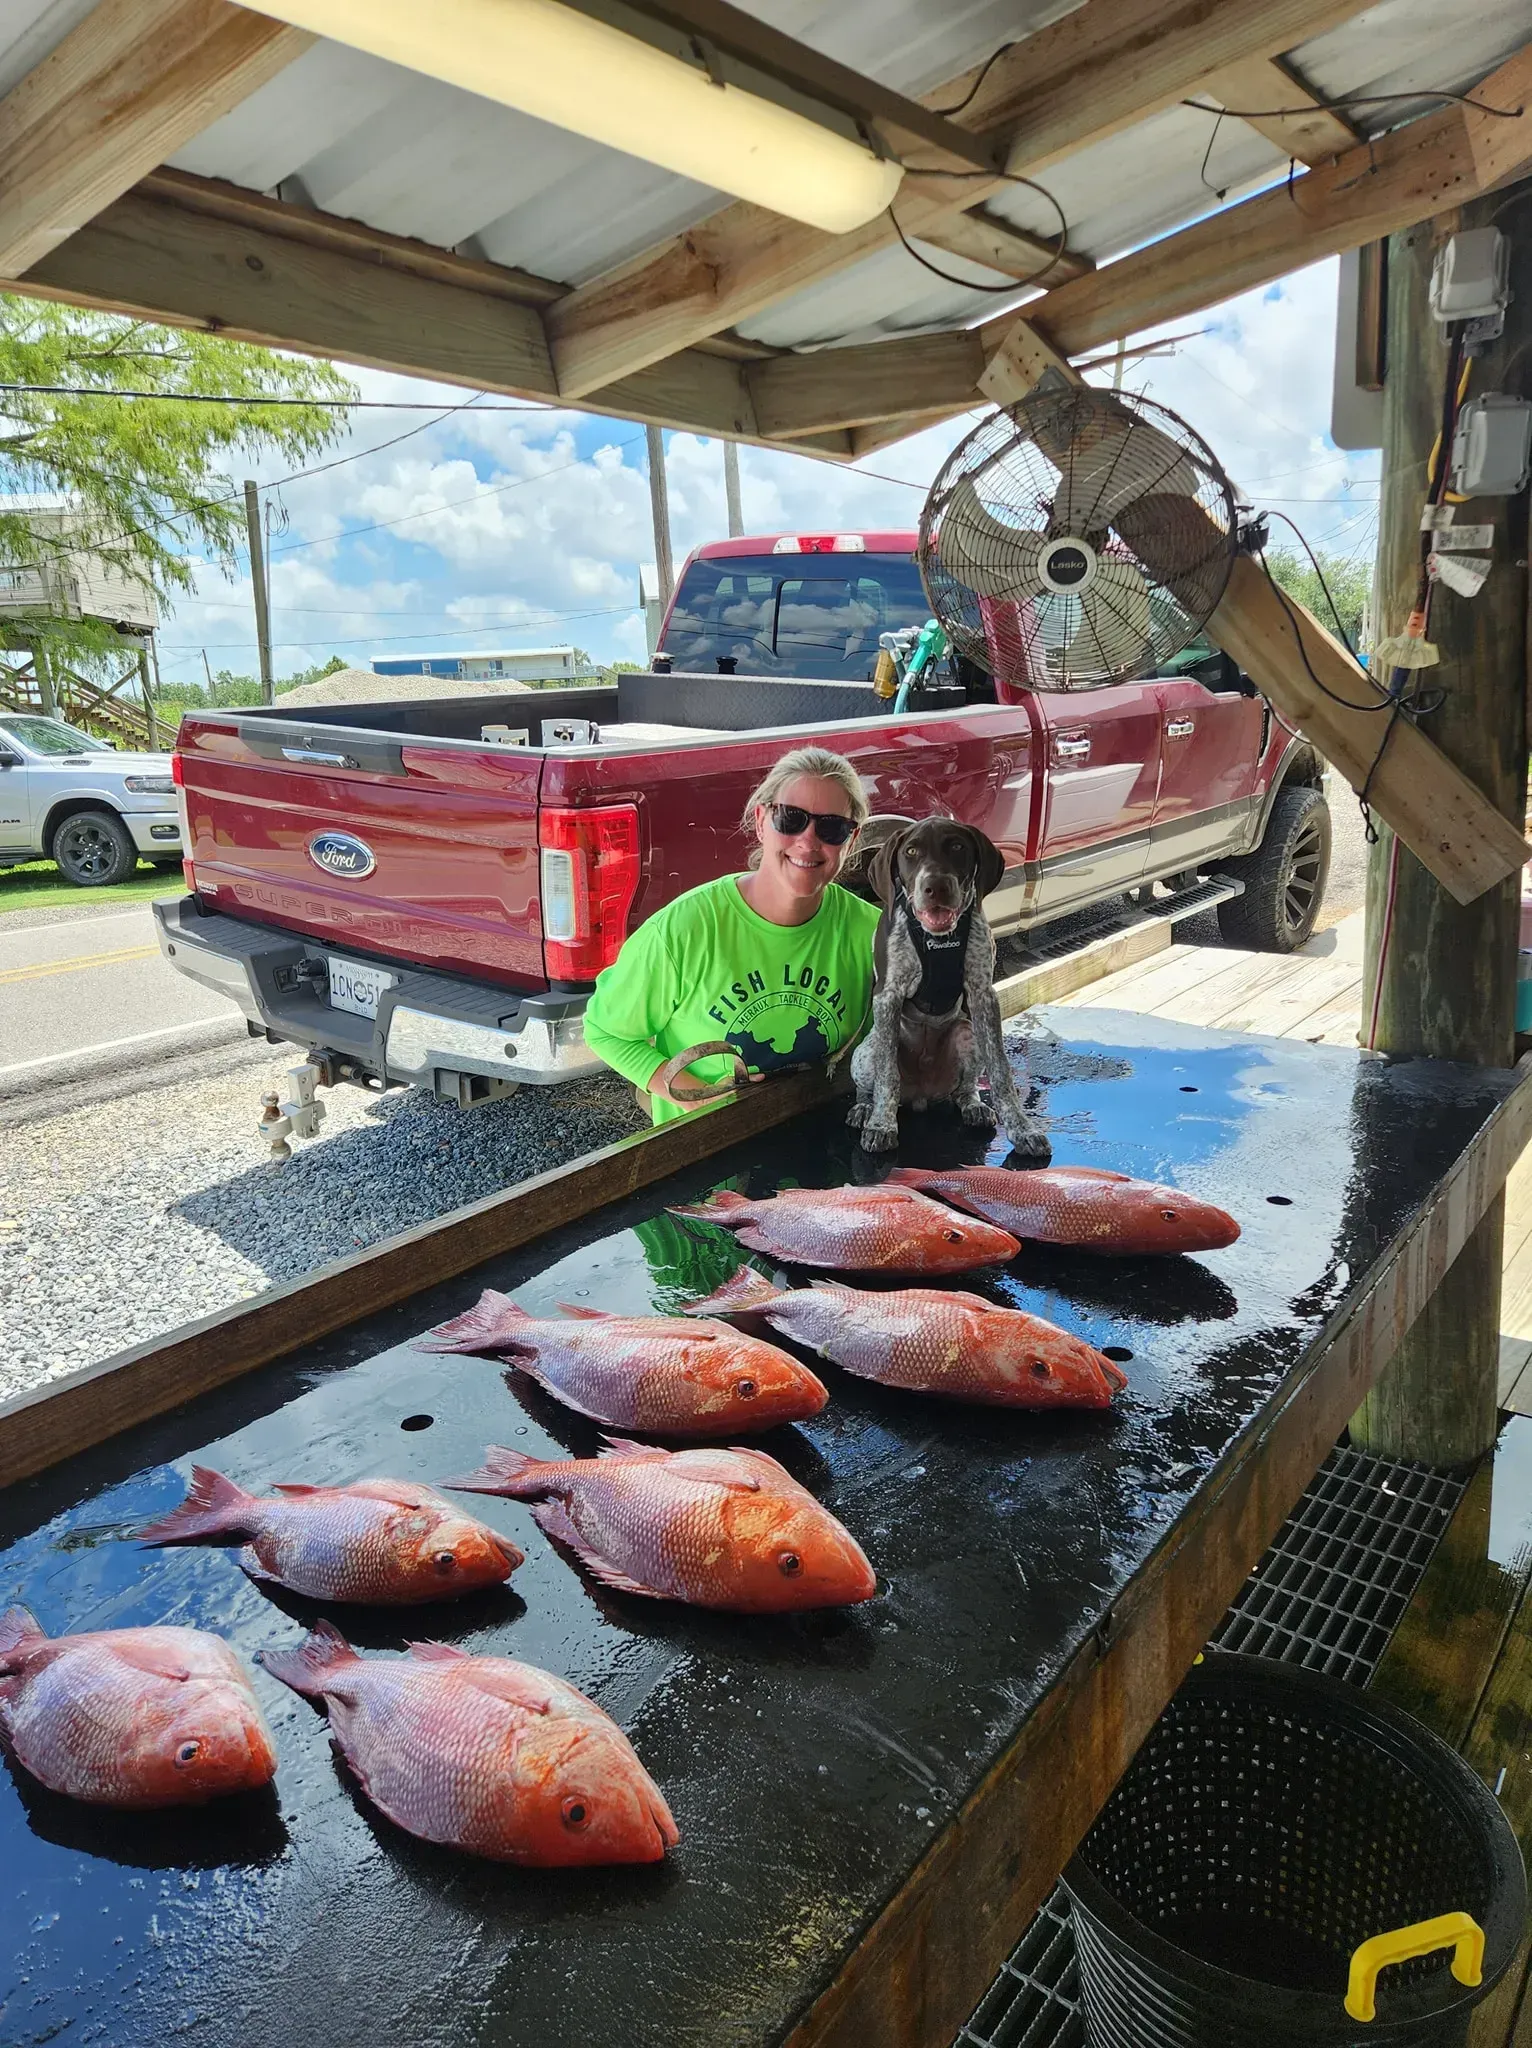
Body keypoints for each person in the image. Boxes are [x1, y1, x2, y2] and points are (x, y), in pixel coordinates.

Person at [584, 746, 879, 1123]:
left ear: (850, 841)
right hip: (706, 1155)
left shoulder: (872, 933)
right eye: (791, 819)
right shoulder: (684, 930)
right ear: (761, 821)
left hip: (823, 1148)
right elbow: (606, 1032)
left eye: (832, 828)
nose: (808, 840)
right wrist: (694, 1098)